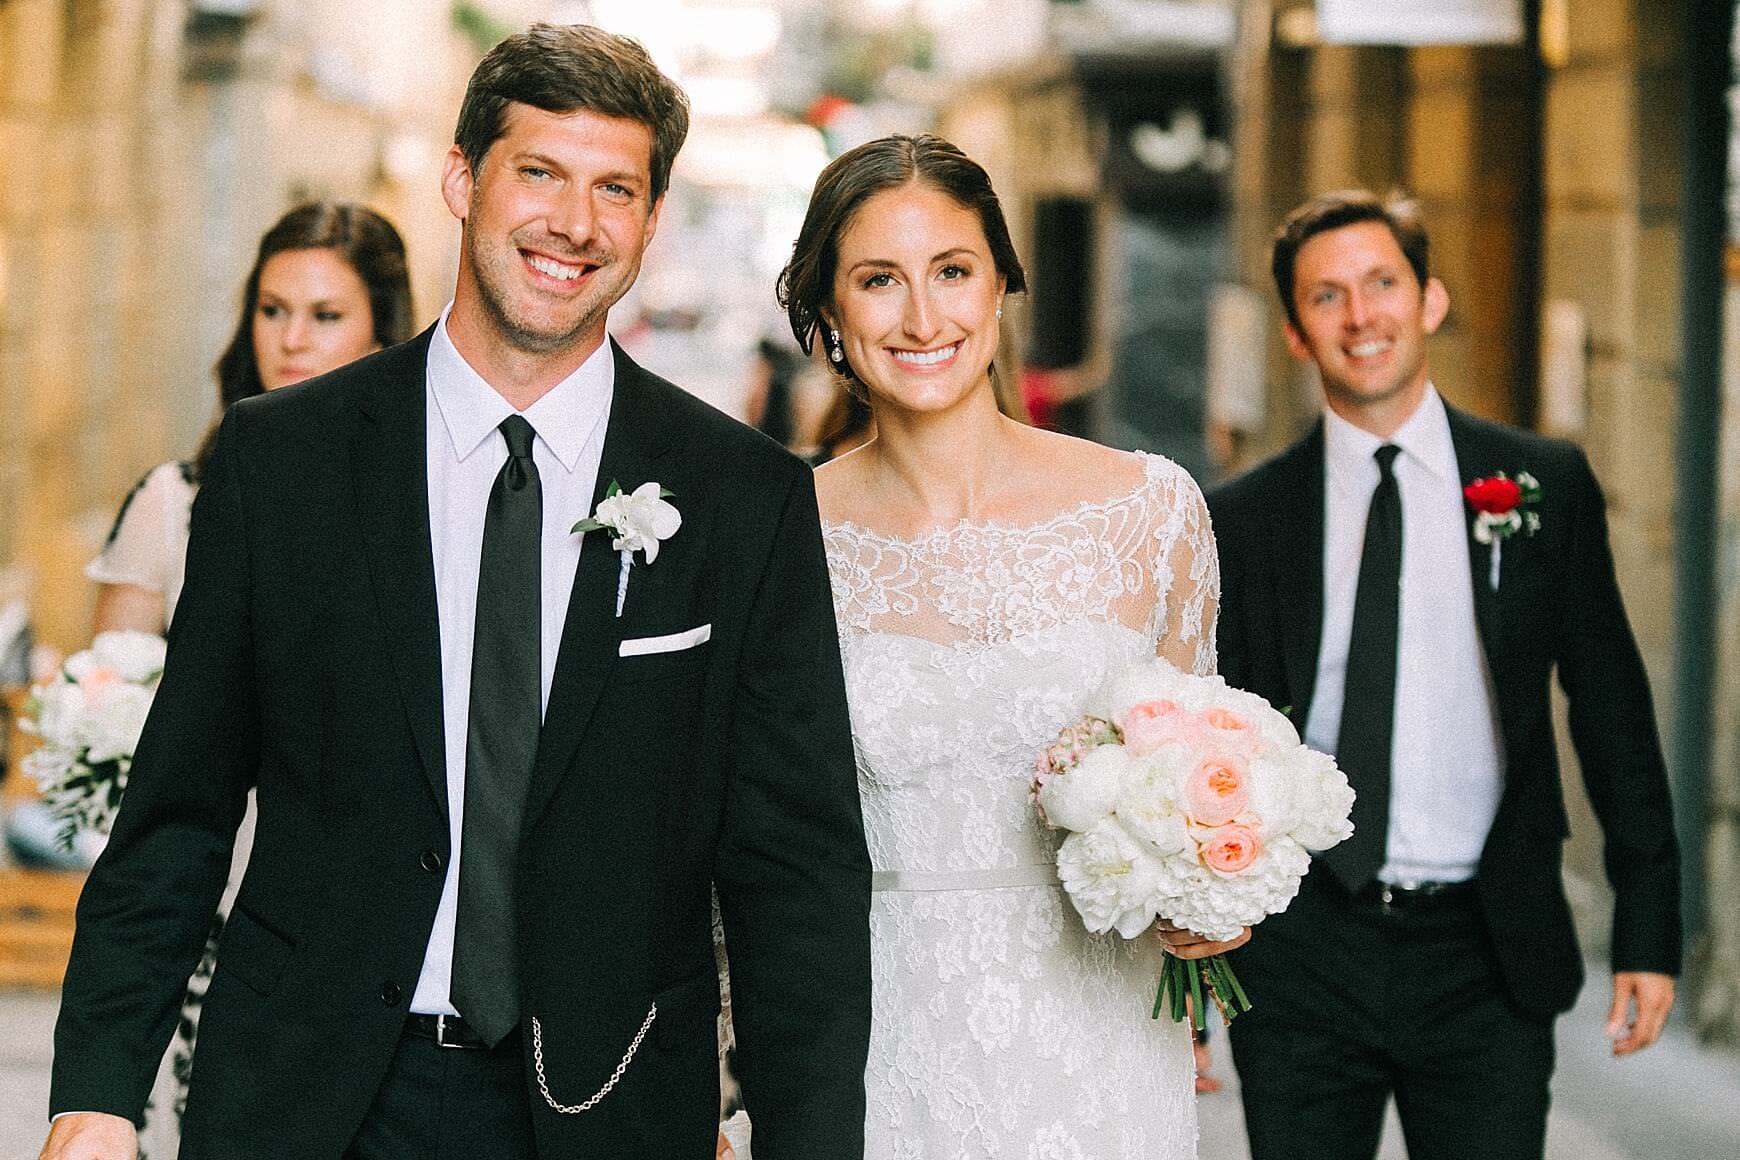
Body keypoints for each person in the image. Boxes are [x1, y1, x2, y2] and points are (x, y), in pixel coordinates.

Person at [43, 22, 870, 1160]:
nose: (574, 224)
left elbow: (797, 875)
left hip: (605, 1105)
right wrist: (95, 1093)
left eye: (614, 189)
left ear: (651, 220)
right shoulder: (278, 462)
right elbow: (176, 814)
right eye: (539, 172)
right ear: (461, 180)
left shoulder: (745, 499)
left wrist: (805, 1137)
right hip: (306, 1098)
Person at [777, 133, 1245, 1159]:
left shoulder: (1150, 511)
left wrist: (1215, 899)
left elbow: (1203, 782)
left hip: (1105, 1060)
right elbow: (742, 846)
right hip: (882, 1052)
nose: (922, 316)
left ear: (1002, 284)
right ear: (828, 311)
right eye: (877, 280)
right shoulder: (777, 536)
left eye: (952, 271)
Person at [1208, 189, 1681, 1160]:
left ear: (1430, 299)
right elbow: (1210, 741)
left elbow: (1612, 705)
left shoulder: (1539, 485)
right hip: (1304, 948)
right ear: (1297, 333)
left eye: (1383, 283)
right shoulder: (1245, 518)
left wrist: (1648, 923)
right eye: (1327, 296)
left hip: (1487, 949)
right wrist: (1184, 970)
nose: (1361, 315)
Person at [80, 200, 414, 1160]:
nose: (292, 340)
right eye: (272, 311)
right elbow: (111, 692)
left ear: (381, 330)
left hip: (357, 919)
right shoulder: (175, 499)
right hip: (213, 914)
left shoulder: (425, 506)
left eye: (324, 314)